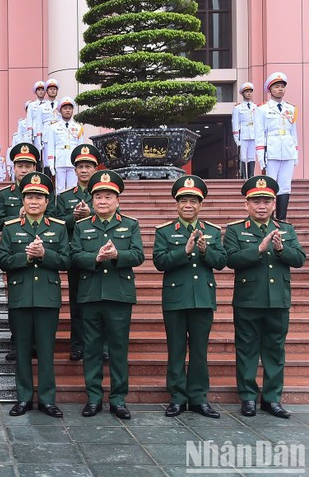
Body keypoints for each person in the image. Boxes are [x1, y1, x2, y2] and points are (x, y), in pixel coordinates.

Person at [224, 175, 305, 418]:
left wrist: (281, 249)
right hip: (248, 300)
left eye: (266, 201)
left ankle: (272, 399)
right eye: (256, 201)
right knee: (246, 350)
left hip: (278, 299)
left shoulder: (286, 229)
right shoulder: (236, 230)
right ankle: (248, 397)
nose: (261, 206)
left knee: (275, 350)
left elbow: (299, 259)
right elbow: (230, 260)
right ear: (246, 205)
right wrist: (257, 249)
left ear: (273, 204)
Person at [71, 170, 144, 419]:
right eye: (98, 197)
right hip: (90, 294)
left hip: (119, 295)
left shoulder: (130, 224)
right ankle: (93, 398)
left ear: (117, 200)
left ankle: (118, 398)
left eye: (108, 196)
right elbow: (74, 255)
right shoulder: (82, 226)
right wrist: (96, 257)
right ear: (92, 200)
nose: (102, 201)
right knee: (91, 348)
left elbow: (138, 255)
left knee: (118, 348)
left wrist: (117, 256)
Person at [152, 176, 226, 419]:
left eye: (193, 201)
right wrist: (184, 251)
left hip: (203, 298)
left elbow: (221, 262)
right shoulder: (164, 231)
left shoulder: (213, 231)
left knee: (199, 350)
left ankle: (198, 397)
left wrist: (205, 250)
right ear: (176, 204)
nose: (188, 205)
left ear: (200, 205)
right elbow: (160, 262)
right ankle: (177, 397)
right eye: (183, 201)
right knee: (176, 349)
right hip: (175, 299)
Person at [0, 172, 70, 417]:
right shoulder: (11, 228)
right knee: (22, 351)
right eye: (29, 196)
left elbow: (66, 259)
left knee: (46, 351)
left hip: (47, 297)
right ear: (22, 200)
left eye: (39, 197)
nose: (34, 201)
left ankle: (48, 400)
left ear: (47, 202)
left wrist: (44, 255)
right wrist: (27, 257)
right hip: (20, 297)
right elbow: (3, 260)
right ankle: (24, 398)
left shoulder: (58, 229)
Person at [0, 142, 50, 361]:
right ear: (13, 168)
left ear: (35, 167)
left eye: (28, 165)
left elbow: (51, 218)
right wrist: (17, 218)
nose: (24, 169)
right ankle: (16, 342)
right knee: (16, 298)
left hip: (41, 246)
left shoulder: (45, 191)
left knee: (40, 299)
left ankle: (37, 342)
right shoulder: (5, 194)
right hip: (16, 248)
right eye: (19, 165)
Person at [55, 144, 101, 361]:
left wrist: (91, 212)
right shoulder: (65, 197)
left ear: (95, 169)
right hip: (76, 254)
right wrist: (74, 218)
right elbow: (56, 224)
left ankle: (101, 346)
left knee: (99, 303)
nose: (84, 170)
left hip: (99, 255)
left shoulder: (103, 194)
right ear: (74, 170)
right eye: (80, 166)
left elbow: (114, 216)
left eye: (88, 166)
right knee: (76, 302)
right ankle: (77, 345)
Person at [255, 72, 298, 221]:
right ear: (270, 89)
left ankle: (282, 219)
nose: (280, 89)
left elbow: (294, 132)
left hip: (288, 150)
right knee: (271, 186)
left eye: (282, 87)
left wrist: (295, 153)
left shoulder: (291, 109)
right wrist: (261, 157)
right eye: (277, 86)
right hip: (271, 151)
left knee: (285, 186)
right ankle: (270, 219)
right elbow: (259, 134)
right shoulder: (262, 109)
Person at [48, 97, 86, 193]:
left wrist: (80, 164)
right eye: (65, 108)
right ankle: (60, 208)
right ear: (60, 110)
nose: (68, 110)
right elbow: (51, 147)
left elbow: (80, 147)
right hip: (60, 160)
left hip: (72, 161)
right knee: (59, 188)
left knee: (72, 187)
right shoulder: (53, 127)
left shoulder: (78, 128)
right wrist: (51, 164)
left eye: (70, 108)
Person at [232, 82, 257, 179]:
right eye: (247, 92)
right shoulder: (238, 108)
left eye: (251, 91)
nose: (249, 94)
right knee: (243, 157)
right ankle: (243, 176)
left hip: (253, 134)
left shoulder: (256, 107)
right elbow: (235, 123)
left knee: (252, 156)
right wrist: (236, 139)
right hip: (243, 134)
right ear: (242, 93)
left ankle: (251, 176)